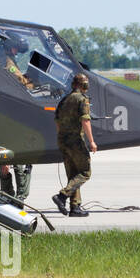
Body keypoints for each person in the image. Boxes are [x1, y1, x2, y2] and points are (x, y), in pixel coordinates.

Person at [52, 73, 96, 217]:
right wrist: (92, 142)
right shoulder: (82, 99)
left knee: (73, 175)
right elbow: (85, 121)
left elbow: (57, 122)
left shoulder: (64, 100)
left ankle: (75, 207)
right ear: (83, 85)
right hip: (75, 141)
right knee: (84, 172)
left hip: (63, 140)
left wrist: (62, 138)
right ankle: (62, 197)